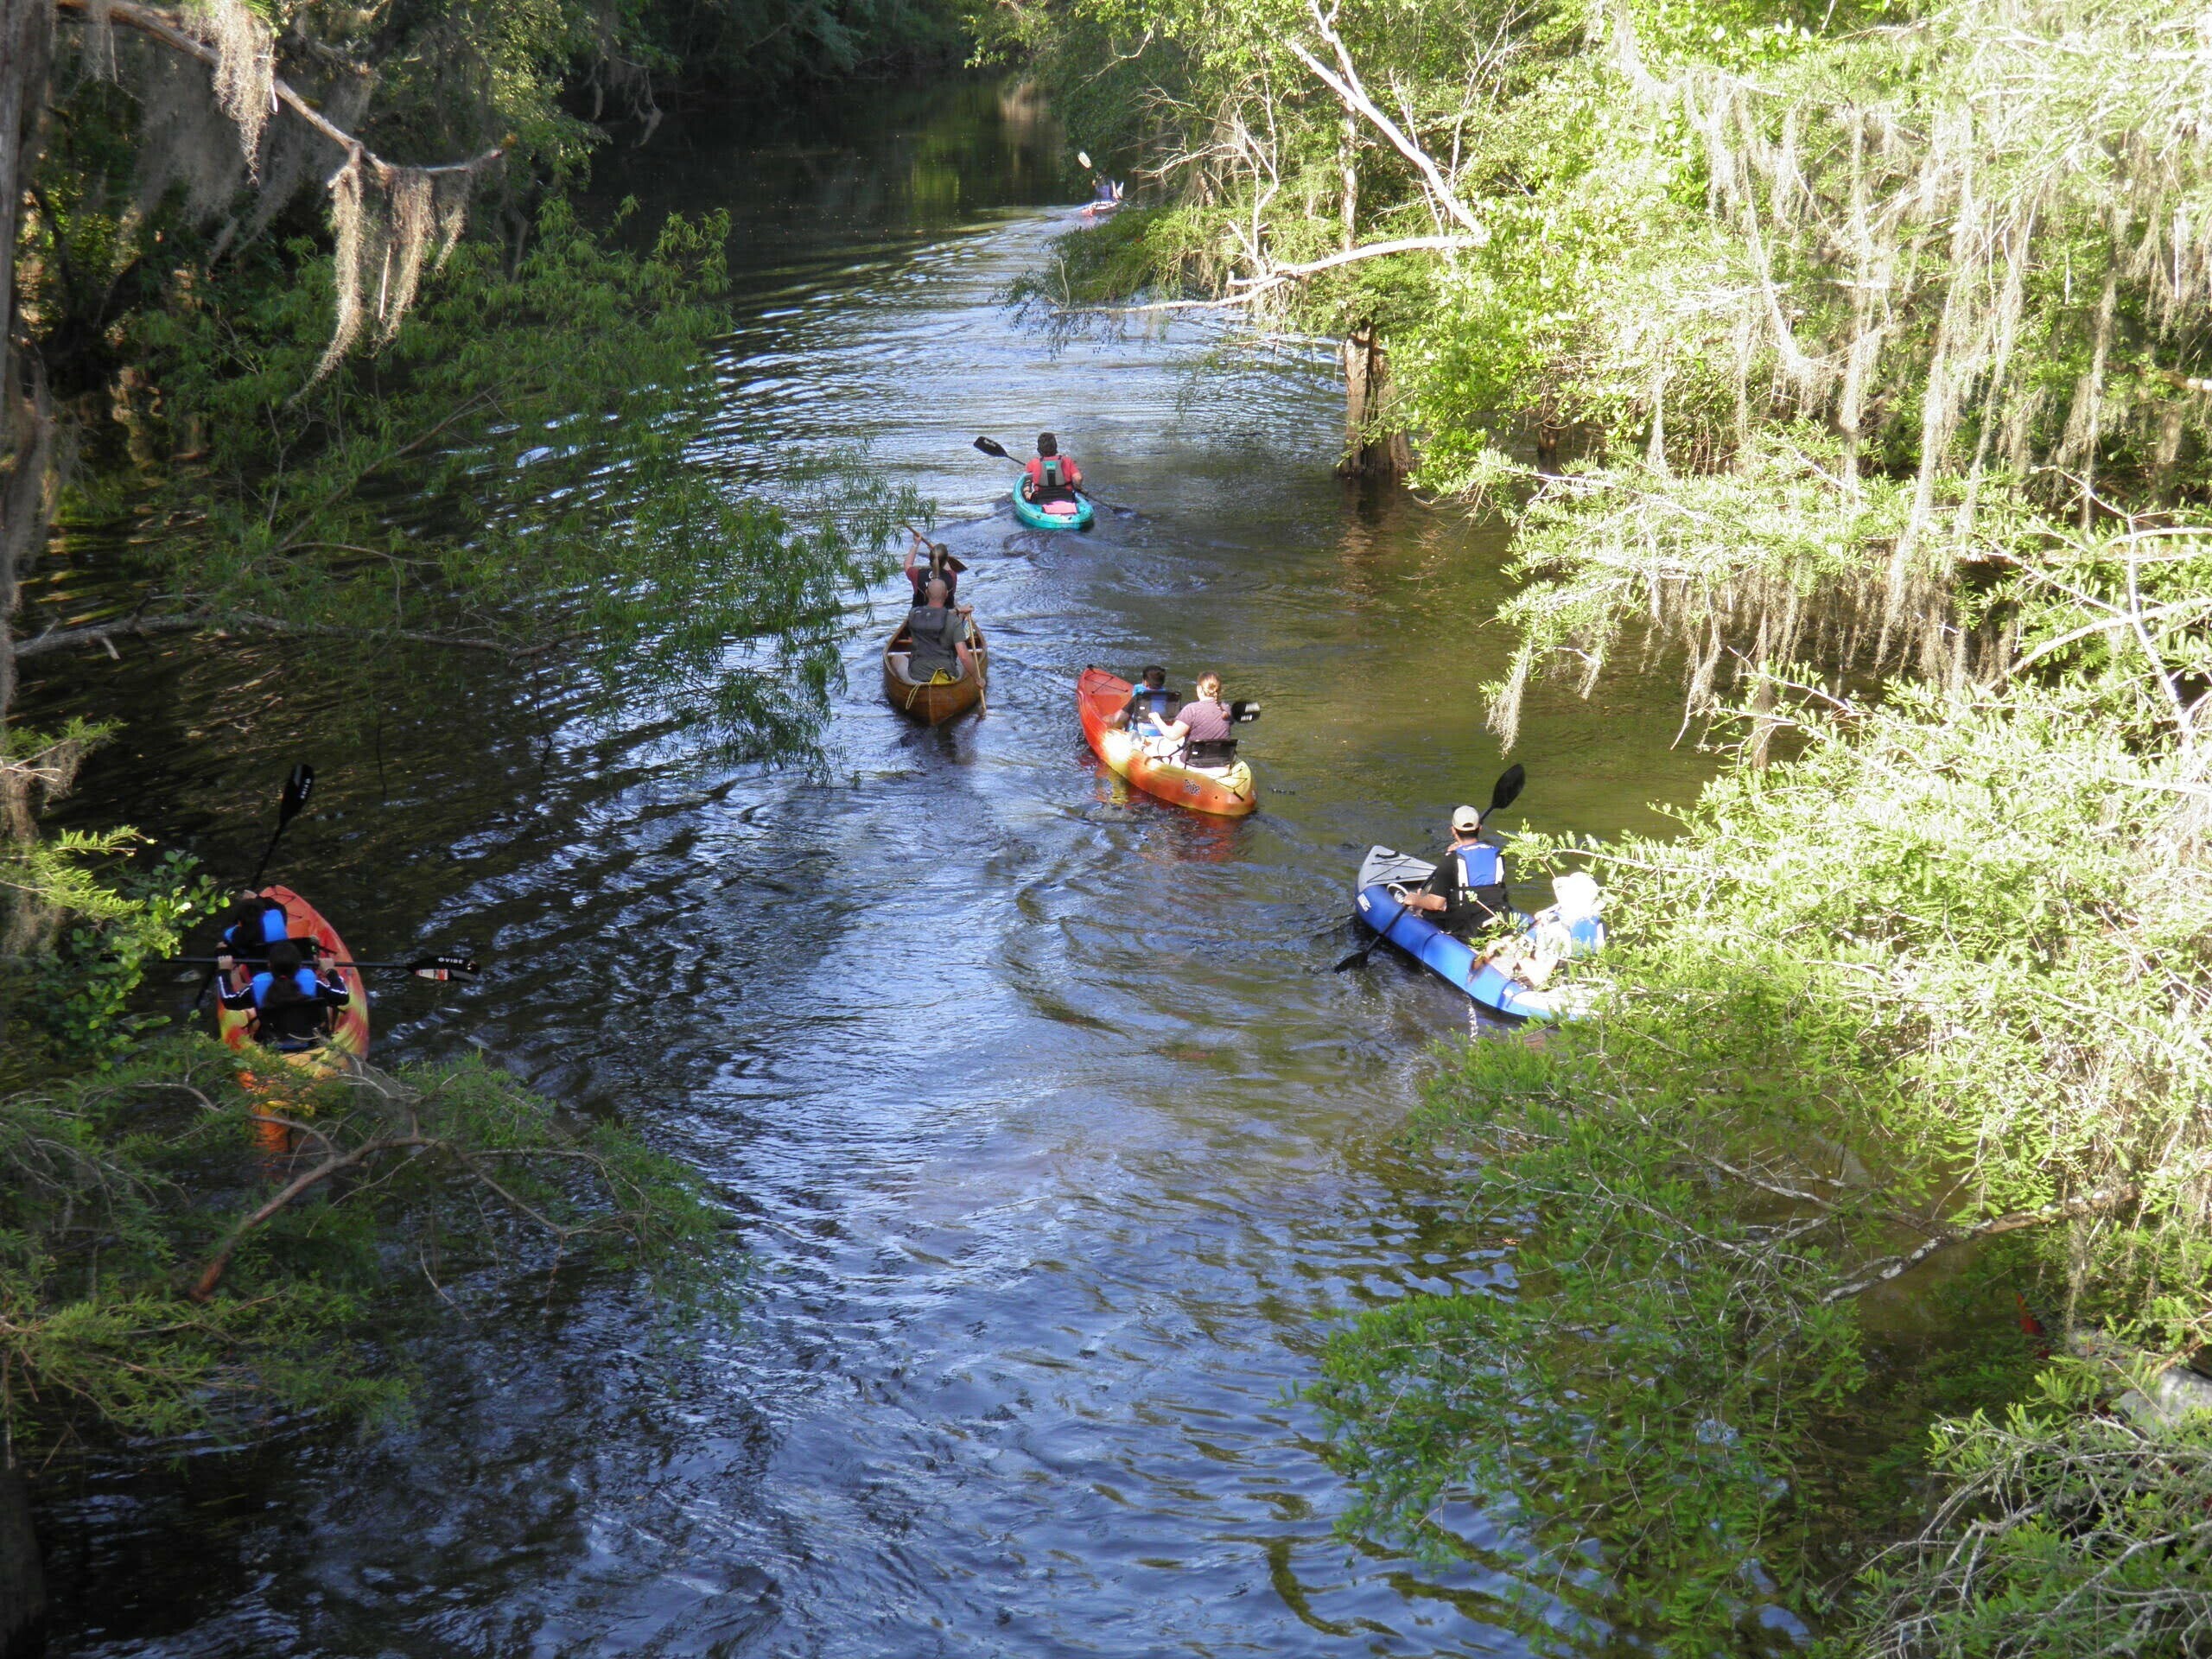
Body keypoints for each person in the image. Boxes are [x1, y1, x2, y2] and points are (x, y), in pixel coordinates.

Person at [217, 938, 352, 1051]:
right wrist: (330, 971)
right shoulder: (315, 983)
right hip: (312, 1041)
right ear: (299, 966)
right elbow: (342, 996)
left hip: (273, 1044)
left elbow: (230, 1001)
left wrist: (224, 972)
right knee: (326, 1004)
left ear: (269, 966)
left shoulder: (257, 986)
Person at [1399, 803, 1511, 937]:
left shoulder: (1451, 860)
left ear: (1453, 830)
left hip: (1466, 925)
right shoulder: (1498, 854)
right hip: (1497, 916)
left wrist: (1415, 900)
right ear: (1480, 828)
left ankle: (1414, 906)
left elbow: (1436, 904)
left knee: (1422, 909)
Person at [903, 575, 983, 703]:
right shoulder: (954, 622)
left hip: (918, 674)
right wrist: (978, 679)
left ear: (927, 593)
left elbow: (934, 615)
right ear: (946, 595)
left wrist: (958, 611)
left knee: (897, 658)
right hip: (946, 674)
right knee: (968, 660)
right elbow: (963, 656)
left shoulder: (913, 614)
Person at [1157, 671, 1238, 770]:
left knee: (1163, 750)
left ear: (1199, 688)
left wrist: (1156, 719)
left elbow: (1173, 735)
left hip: (1193, 762)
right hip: (1221, 760)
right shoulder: (1227, 709)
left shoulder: (1191, 709)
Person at [217, 888, 290, 960]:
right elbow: (278, 906)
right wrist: (256, 898)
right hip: (281, 956)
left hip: (257, 964)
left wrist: (221, 951)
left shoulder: (233, 934)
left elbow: (234, 953)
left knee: (221, 946)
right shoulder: (276, 914)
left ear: (240, 922)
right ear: (264, 912)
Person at [903, 531, 968, 611]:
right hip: (946, 620)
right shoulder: (952, 576)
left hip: (919, 619)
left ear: (930, 558)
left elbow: (907, 564)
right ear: (946, 560)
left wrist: (916, 544)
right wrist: (937, 554)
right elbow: (948, 569)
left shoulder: (917, 574)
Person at [1110, 666, 1178, 735]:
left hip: (1140, 733)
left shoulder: (1140, 697)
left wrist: (1114, 725)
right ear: (1162, 682)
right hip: (1162, 732)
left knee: (1113, 718)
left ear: (1145, 682)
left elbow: (1119, 719)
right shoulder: (1171, 698)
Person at [1021, 433, 1084, 506]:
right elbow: (1078, 478)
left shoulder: (1033, 463)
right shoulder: (1068, 461)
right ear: (1056, 447)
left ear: (1039, 450)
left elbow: (1027, 480)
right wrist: (1078, 488)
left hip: (1041, 499)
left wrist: (1027, 493)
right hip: (1067, 497)